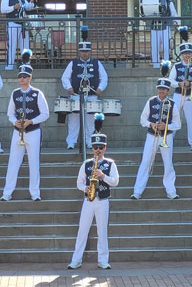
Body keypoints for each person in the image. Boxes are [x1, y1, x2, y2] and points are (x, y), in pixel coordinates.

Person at [68, 114, 119, 270]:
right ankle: (76, 260)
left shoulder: (110, 164)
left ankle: (103, 260)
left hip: (103, 200)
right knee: (82, 230)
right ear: (92, 148)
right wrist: (85, 188)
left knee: (102, 231)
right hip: (88, 201)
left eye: (100, 148)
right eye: (95, 148)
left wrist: (103, 176)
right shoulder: (87, 163)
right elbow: (78, 182)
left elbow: (115, 181)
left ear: (105, 148)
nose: (97, 150)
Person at [0, 49, 49, 201]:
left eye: (25, 76)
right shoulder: (15, 93)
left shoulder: (37, 93)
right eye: (20, 76)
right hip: (17, 131)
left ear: (30, 77)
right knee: (13, 162)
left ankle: (35, 193)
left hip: (33, 131)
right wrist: (14, 121)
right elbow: (9, 113)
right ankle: (7, 193)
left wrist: (31, 121)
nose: (22, 79)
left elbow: (45, 113)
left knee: (34, 163)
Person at [131, 61, 181, 200]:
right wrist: (151, 124)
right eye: (159, 88)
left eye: (164, 89)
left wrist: (166, 127)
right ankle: (137, 191)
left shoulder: (173, 104)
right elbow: (142, 119)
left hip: (167, 137)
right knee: (146, 161)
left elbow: (178, 124)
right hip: (152, 136)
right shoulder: (151, 101)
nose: (161, 91)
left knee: (168, 164)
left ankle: (171, 191)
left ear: (168, 91)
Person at [61, 26, 108, 149]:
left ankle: (89, 142)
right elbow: (65, 77)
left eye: (86, 51)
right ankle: (71, 142)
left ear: (90, 51)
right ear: (79, 51)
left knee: (90, 121)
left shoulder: (97, 63)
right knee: (73, 120)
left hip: (92, 96)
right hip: (76, 96)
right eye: (82, 51)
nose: (84, 53)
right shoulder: (74, 63)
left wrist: (100, 88)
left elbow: (104, 77)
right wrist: (69, 87)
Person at [170, 26, 192, 151]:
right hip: (178, 95)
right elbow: (170, 81)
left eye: (189, 53)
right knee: (174, 118)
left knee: (191, 120)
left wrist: (190, 84)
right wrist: (179, 84)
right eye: (184, 53)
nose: (187, 55)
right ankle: (168, 141)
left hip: (190, 96)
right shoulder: (177, 66)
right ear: (181, 54)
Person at [0, 0, 36, 70]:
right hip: (12, 23)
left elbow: (27, 7)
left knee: (25, 46)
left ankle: (26, 65)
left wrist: (32, 0)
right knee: (12, 45)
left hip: (22, 24)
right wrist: (13, 7)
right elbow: (3, 9)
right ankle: (9, 66)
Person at [149, 0, 178, 68]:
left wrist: (175, 22)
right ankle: (156, 66)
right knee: (155, 47)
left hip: (165, 26)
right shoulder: (151, 2)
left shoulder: (169, 2)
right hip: (154, 26)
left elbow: (174, 14)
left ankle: (166, 65)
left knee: (166, 47)